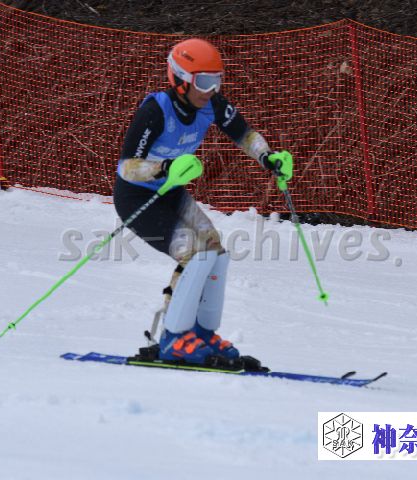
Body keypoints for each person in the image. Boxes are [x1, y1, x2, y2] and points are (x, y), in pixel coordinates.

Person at [113, 38, 293, 365]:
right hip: (137, 198)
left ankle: (202, 332)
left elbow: (245, 134)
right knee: (193, 253)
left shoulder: (212, 104)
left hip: (170, 193)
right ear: (181, 79)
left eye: (217, 80)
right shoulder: (155, 111)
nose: (211, 90)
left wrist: (268, 157)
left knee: (214, 249)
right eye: (204, 81)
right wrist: (164, 168)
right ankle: (173, 338)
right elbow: (126, 167)